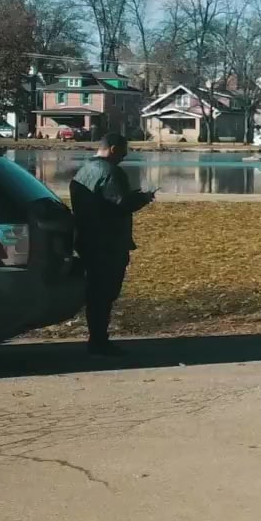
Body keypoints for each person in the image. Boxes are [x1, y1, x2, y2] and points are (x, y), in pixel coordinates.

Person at [69, 133, 155, 356]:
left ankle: (96, 337)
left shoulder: (84, 170)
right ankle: (98, 340)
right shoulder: (111, 172)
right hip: (108, 241)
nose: (125, 157)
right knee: (105, 292)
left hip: (87, 238)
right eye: (124, 152)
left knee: (95, 291)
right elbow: (121, 204)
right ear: (114, 149)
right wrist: (144, 198)